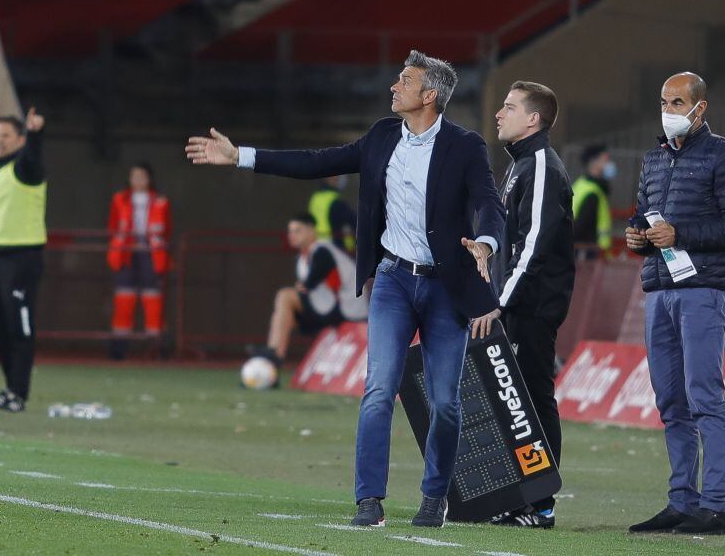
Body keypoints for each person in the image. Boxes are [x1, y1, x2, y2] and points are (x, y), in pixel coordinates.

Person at [186, 50, 504, 528]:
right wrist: (241, 157)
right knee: (378, 390)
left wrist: (485, 242)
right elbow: (317, 161)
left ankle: (434, 497)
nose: (395, 86)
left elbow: (487, 201)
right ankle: (369, 501)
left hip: (446, 288)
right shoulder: (380, 136)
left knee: (445, 402)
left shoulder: (466, 146)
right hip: (393, 281)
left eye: (405, 80)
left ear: (430, 95)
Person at [626, 73, 725, 536]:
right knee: (671, 402)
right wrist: (637, 237)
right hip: (658, 290)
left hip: (702, 290)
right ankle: (682, 501)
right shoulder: (653, 159)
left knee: (705, 398)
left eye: (677, 101)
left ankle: (716, 505)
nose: (669, 109)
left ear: (700, 108)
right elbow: (643, 213)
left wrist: (680, 235)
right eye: (663, 101)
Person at [472, 81, 575, 528]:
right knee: (518, 399)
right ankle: (523, 495)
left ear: (533, 119)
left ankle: (541, 502)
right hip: (518, 301)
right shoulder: (520, 165)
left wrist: (500, 302)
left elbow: (534, 245)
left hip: (532, 305)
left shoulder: (541, 165)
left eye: (510, 107)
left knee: (532, 397)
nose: (499, 113)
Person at [0, 108, 47, 413]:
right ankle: (10, 388)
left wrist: (35, 136)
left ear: (19, 139)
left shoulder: (25, 168)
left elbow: (33, 158)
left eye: (6, 135)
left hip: (22, 258)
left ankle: (18, 393)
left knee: (20, 328)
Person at [249, 212, 367, 371]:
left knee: (285, 296)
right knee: (286, 315)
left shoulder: (322, 250)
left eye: (298, 230)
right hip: (329, 307)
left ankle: (275, 352)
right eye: (290, 231)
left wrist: (303, 286)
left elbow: (312, 281)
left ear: (311, 230)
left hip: (349, 309)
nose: (292, 235)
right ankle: (272, 364)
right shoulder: (302, 258)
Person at [106, 162, 171, 360]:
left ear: (149, 179)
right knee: (124, 297)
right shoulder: (120, 199)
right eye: (134, 176)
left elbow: (167, 228)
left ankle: (155, 346)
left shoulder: (160, 201)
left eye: (142, 176)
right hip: (126, 252)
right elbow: (113, 225)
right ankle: (119, 346)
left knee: (153, 298)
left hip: (151, 253)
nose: (138, 180)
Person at [571, 143, 614, 259]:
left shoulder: (580, 185)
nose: (609, 164)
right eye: (605, 160)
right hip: (588, 257)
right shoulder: (592, 192)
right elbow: (581, 229)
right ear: (594, 162)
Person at [308, 176, 357, 254]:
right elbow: (355, 223)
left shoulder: (315, 198)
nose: (340, 179)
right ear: (329, 179)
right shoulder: (335, 201)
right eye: (337, 176)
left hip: (316, 247)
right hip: (336, 249)